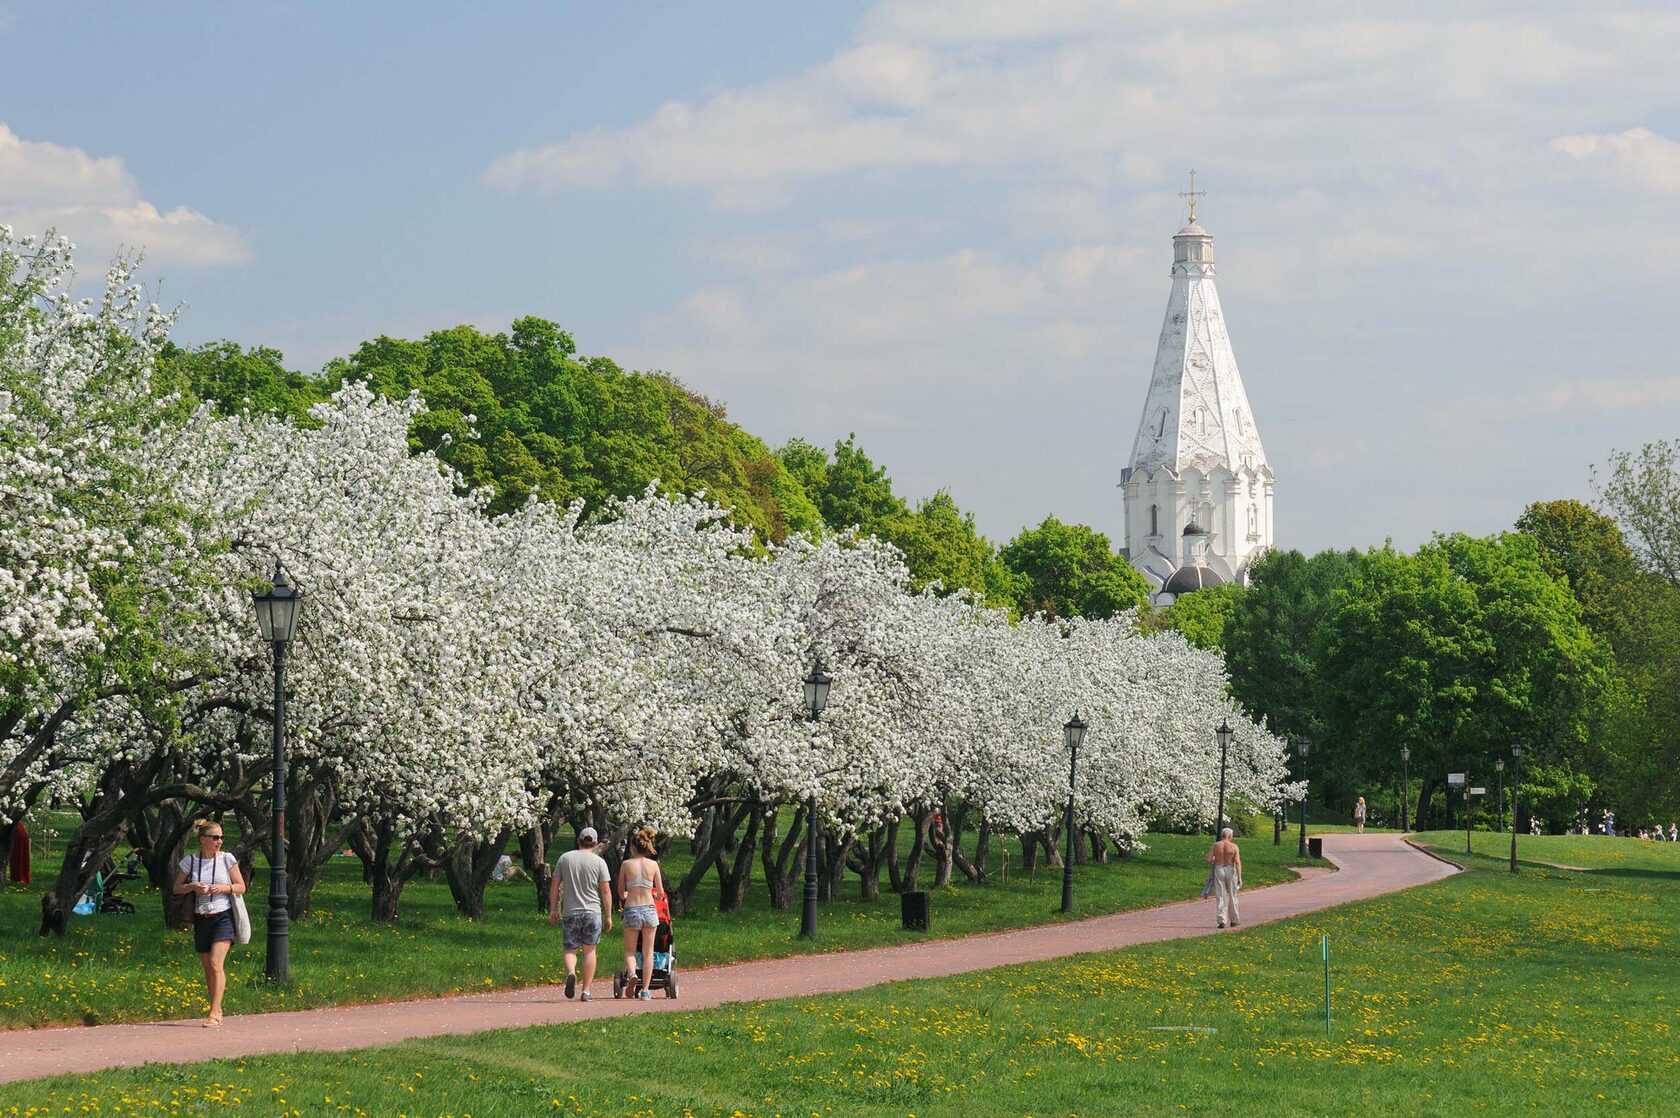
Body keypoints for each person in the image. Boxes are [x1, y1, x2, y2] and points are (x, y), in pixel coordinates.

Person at [173, 819, 245, 1027]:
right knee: (208, 968)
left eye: (222, 837)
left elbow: (241, 886)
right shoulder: (191, 861)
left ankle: (214, 1013)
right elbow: (177, 888)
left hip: (223, 916)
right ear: (202, 839)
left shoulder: (227, 859)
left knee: (215, 963)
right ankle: (217, 1006)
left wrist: (223, 888)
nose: (220, 841)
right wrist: (192, 886)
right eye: (215, 837)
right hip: (201, 917)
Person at [549, 826, 612, 1002]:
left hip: (571, 911)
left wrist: (554, 909)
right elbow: (606, 891)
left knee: (570, 949)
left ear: (578, 840)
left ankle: (571, 973)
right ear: (595, 843)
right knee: (589, 951)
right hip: (592, 912)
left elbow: (554, 885)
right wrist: (608, 916)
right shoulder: (599, 862)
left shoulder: (565, 858)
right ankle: (586, 991)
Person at [618, 826, 667, 1000]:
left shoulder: (626, 865)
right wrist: (655, 894)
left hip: (632, 908)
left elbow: (621, 891)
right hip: (649, 909)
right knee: (648, 952)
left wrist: (626, 894)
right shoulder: (653, 865)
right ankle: (645, 990)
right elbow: (660, 892)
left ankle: (632, 974)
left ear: (632, 848)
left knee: (630, 950)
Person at [1205, 827, 1243, 929]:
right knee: (1232, 895)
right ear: (1230, 836)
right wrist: (1239, 877)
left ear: (1222, 835)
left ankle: (1222, 920)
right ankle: (1234, 920)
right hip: (1230, 869)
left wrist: (1215, 859)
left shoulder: (1216, 845)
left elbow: (1208, 859)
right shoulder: (1234, 846)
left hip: (1219, 869)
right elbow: (1237, 863)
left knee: (1220, 895)